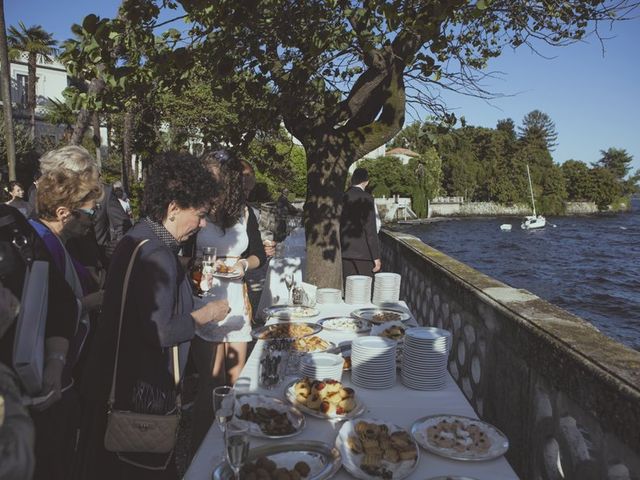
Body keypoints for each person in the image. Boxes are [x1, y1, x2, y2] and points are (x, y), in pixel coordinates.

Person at [72, 152, 228, 480]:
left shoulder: (140, 236)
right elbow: (161, 332)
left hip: (111, 382)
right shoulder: (157, 254)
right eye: (199, 215)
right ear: (173, 208)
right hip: (137, 394)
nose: (202, 224)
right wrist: (206, 313)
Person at [28, 167, 104, 480]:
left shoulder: (52, 240)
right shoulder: (41, 244)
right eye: (90, 211)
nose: (93, 219)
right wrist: (99, 300)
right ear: (64, 212)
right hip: (49, 378)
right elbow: (45, 312)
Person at [189, 150, 266, 452]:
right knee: (210, 386)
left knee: (236, 385)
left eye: (216, 177)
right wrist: (197, 269)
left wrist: (245, 265)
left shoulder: (245, 214)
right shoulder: (196, 211)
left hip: (237, 303)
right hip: (204, 302)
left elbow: (257, 253)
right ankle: (200, 455)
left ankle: (233, 452)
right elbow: (181, 254)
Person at [339, 167, 382, 284]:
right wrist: (376, 257)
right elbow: (371, 230)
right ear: (367, 182)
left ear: (352, 180)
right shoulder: (368, 199)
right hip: (364, 254)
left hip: (345, 251)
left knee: (350, 291)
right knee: (365, 292)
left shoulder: (342, 197)